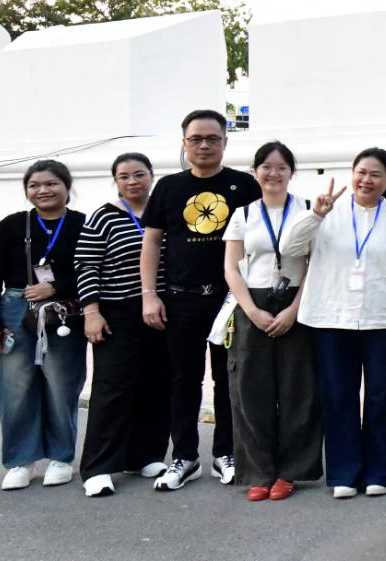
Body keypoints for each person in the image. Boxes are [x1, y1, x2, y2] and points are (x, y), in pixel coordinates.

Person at [140, 109, 262, 490]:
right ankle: (184, 456)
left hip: (230, 302)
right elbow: (152, 242)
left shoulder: (245, 185)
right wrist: (149, 295)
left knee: (228, 379)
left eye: (212, 138)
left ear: (225, 142)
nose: (204, 145)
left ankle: (226, 452)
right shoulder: (168, 187)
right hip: (181, 301)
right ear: (184, 143)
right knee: (183, 380)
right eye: (196, 139)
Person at [291, 148, 386, 499]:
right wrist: (315, 215)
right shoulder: (326, 211)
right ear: (352, 174)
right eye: (361, 172)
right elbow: (291, 246)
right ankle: (344, 472)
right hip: (332, 316)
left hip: (385, 316)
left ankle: (381, 471)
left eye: (375, 174)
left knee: (383, 397)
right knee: (338, 395)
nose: (366, 180)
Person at [222, 140, 324, 501]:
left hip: (298, 302)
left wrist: (295, 309)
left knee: (299, 390)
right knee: (250, 389)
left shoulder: (309, 210)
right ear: (256, 172)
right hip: (252, 302)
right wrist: (251, 310)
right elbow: (231, 268)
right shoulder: (243, 214)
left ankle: (291, 471)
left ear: (291, 172)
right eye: (266, 167)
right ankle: (258, 471)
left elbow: (315, 265)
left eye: (281, 167)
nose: (274, 173)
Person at [0, 159, 87, 491]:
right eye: (34, 185)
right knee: (14, 387)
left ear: (67, 187)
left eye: (51, 183)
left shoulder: (82, 223)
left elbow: (92, 267)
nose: (43, 190)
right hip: (14, 309)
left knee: (62, 385)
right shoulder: (13, 224)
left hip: (62, 312)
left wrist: (56, 287)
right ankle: (20, 460)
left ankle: (60, 457)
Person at [75, 153, 171, 497]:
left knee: (156, 384)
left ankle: (145, 455)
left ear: (152, 176)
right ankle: (98, 467)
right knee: (112, 388)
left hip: (161, 311)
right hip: (117, 311)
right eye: (124, 176)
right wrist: (91, 311)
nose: (133, 182)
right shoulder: (104, 216)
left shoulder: (166, 211)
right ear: (115, 181)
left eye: (139, 174)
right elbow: (86, 264)